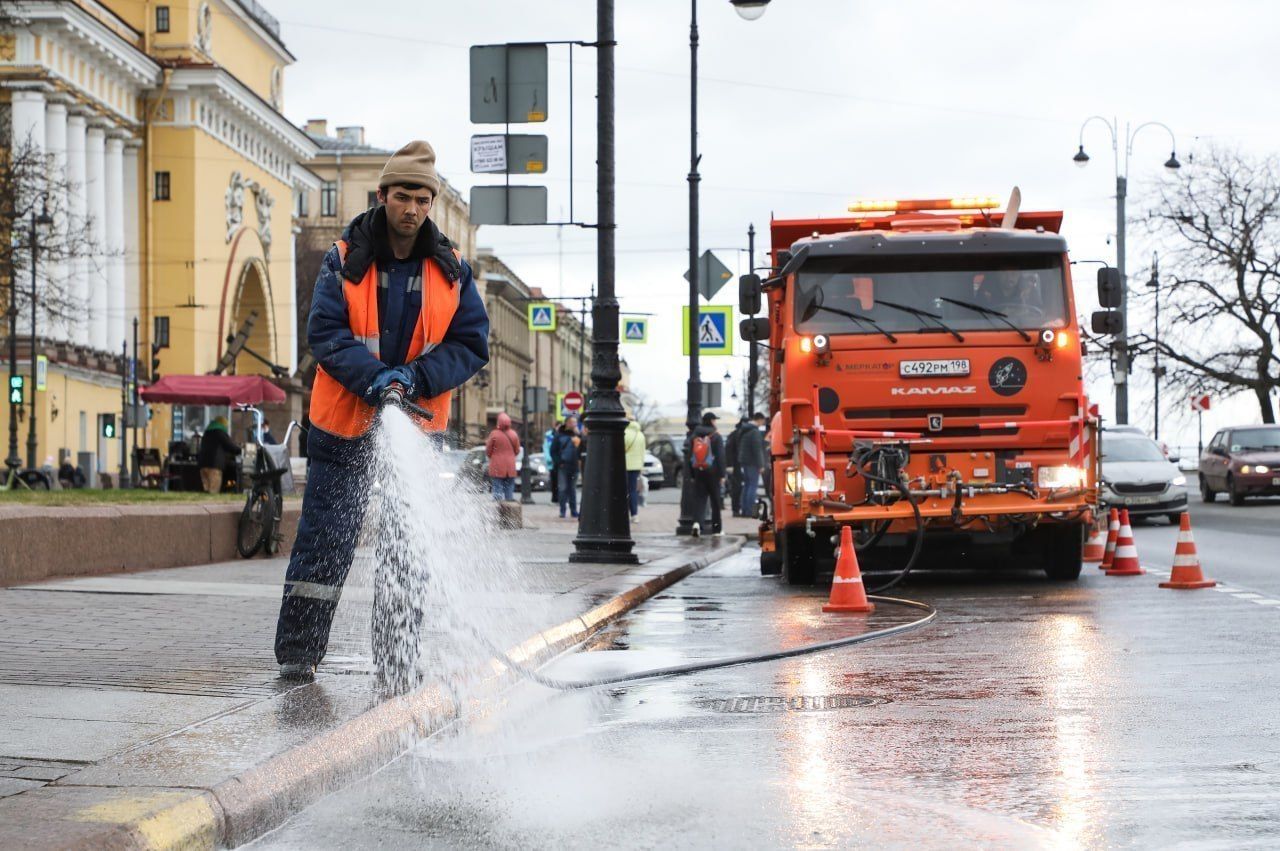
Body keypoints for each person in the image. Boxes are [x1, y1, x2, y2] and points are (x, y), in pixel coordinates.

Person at [273, 140, 490, 682]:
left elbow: (470, 344)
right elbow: (325, 333)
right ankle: (299, 654)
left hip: (415, 430)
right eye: (402, 196)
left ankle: (397, 658)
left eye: (422, 198)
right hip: (342, 425)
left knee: (406, 548)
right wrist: (376, 380)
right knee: (325, 541)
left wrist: (414, 379)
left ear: (432, 203)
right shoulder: (345, 258)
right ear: (383, 195)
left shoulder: (452, 271)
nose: (411, 208)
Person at [688, 411, 725, 535]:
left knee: (699, 499)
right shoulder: (716, 436)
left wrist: (693, 474)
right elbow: (720, 457)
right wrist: (722, 475)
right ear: (712, 421)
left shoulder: (694, 436)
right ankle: (717, 529)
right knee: (715, 500)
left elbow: (690, 456)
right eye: (715, 420)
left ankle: (697, 524)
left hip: (699, 470)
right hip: (713, 472)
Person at [197, 416, 240, 494]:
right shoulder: (220, 433)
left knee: (206, 491)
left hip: (203, 465)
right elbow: (230, 446)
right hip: (214, 466)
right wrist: (241, 450)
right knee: (213, 491)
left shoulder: (207, 432)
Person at [485, 412, 520, 501]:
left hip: (497, 466)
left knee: (497, 488)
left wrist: (493, 457)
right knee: (509, 488)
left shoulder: (494, 434)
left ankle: (497, 510)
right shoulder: (514, 434)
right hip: (510, 466)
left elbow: (488, 450)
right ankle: (508, 508)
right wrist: (510, 455)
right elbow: (517, 451)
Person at [738, 412, 767, 518]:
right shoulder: (755, 432)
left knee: (746, 486)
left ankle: (745, 510)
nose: (763, 423)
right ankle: (750, 511)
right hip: (752, 463)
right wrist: (761, 465)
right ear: (759, 419)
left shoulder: (746, 430)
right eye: (763, 421)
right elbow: (757, 450)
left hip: (745, 461)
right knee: (752, 486)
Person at [552, 417, 581, 519]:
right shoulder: (559, 435)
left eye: (576, 422)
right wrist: (559, 462)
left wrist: (579, 435)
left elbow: (583, 448)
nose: (575, 424)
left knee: (572, 489)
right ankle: (562, 511)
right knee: (563, 488)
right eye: (573, 422)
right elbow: (553, 451)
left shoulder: (578, 435)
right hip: (563, 466)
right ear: (568, 423)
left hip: (575, 466)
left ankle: (574, 511)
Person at [623, 418, 647, 522]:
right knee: (633, 490)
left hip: (625, 465)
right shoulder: (640, 435)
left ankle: (625, 512)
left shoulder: (624, 433)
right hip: (636, 466)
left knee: (623, 490)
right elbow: (643, 452)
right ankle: (634, 514)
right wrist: (641, 467)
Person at [725, 417, 745, 516]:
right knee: (737, 487)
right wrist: (730, 465)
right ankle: (736, 509)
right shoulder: (739, 434)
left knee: (736, 487)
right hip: (736, 465)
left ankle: (736, 509)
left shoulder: (734, 434)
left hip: (734, 464)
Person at [544, 423, 560, 503]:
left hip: (560, 462)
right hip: (552, 463)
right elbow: (546, 447)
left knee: (560, 481)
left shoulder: (562, 435)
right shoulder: (549, 435)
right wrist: (549, 459)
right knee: (554, 481)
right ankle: (554, 498)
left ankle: (560, 498)